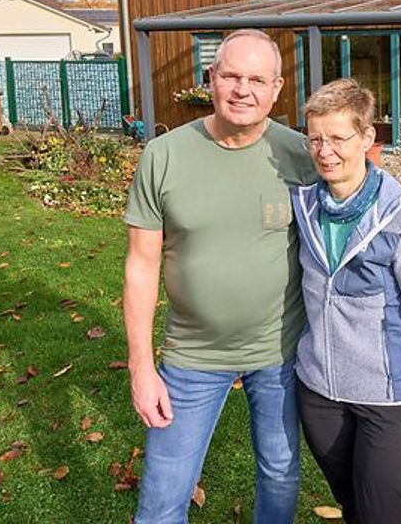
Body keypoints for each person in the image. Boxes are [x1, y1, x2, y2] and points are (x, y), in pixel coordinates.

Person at [123, 29, 319, 524]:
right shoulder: (163, 156)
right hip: (191, 355)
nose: (242, 89)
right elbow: (141, 266)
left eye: (257, 79)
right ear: (210, 79)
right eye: (230, 75)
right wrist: (142, 369)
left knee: (279, 471)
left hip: (279, 352)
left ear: (277, 89)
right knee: (163, 496)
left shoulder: (301, 156)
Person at [291, 78, 401, 524]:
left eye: (338, 138)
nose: (325, 151)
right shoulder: (305, 208)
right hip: (319, 395)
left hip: (387, 400)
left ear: (367, 138)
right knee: (355, 508)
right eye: (316, 139)